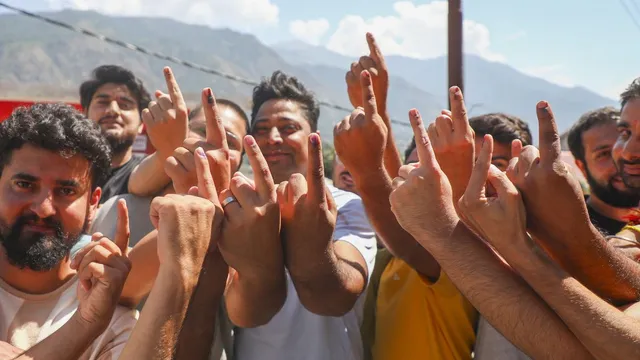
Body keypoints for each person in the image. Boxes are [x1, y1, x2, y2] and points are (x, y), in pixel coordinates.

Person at [336, 34, 476, 360]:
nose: (411, 172)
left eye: (431, 167)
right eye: (413, 162)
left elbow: (405, 234)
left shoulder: (460, 251)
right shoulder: (405, 243)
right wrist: (373, 107)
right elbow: (395, 190)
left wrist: (367, 171)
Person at [222, 70, 376, 360]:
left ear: (313, 137)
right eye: (262, 129)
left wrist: (312, 244)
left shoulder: (346, 206)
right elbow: (241, 313)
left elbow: (336, 297)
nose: (273, 138)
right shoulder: (239, 210)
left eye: (288, 127)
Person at [0, 103, 136, 358]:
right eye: (24, 184)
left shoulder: (111, 320)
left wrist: (89, 321)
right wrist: (82, 328)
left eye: (66, 191)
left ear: (93, 202)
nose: (43, 209)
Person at [80, 65, 152, 203]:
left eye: (124, 105)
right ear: (85, 114)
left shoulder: (152, 173)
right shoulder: (64, 170)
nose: (113, 110)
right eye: (103, 102)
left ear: (141, 124)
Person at [567, 107, 640, 235]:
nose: (623, 157)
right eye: (604, 154)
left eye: (626, 145)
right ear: (581, 166)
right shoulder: (566, 231)